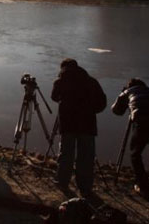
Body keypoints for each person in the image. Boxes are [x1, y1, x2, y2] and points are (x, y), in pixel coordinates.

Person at [111, 78, 149, 204]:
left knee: (135, 154)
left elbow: (116, 111)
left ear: (129, 86)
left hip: (142, 121)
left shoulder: (128, 92)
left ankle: (144, 188)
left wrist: (124, 96)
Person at [51, 58, 106, 196]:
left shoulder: (60, 80)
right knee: (86, 156)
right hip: (88, 123)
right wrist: (91, 110)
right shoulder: (91, 81)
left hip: (67, 123)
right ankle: (85, 187)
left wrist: (64, 102)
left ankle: (62, 182)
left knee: (66, 154)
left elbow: (54, 97)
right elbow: (102, 102)